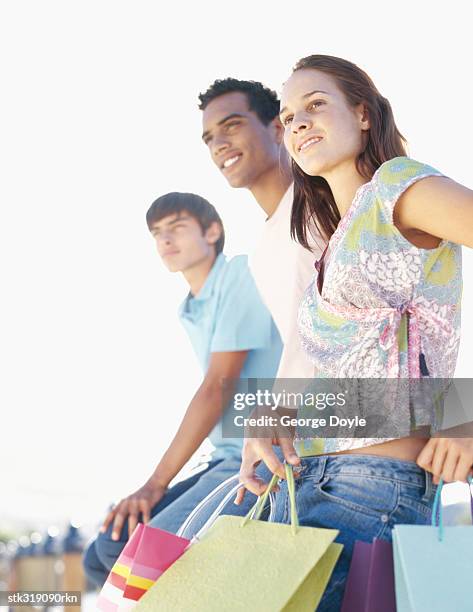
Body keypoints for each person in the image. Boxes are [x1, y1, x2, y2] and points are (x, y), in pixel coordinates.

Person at [238, 55, 473, 610]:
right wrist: (274, 418)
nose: (298, 123)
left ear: (363, 114)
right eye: (289, 115)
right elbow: (377, 374)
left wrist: (465, 412)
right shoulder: (337, 237)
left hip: (371, 489)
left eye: (316, 104)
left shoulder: (400, 185)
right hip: (303, 486)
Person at [83, 192, 282, 587]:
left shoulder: (238, 273)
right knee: (98, 556)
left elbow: (216, 388)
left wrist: (155, 484)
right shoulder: (189, 307)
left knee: (128, 556)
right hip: (221, 454)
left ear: (212, 232)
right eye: (157, 233)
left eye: (176, 228)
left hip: (256, 451)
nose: (165, 241)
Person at [199, 78, 322, 381]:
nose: (219, 145)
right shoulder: (260, 255)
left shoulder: (328, 199)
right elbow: (301, 352)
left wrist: (454, 415)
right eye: (209, 138)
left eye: (232, 126)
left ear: (278, 129)